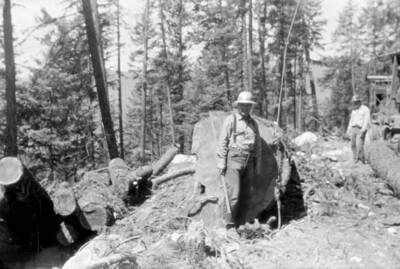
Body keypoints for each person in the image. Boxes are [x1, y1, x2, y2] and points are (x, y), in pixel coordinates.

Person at [216, 91, 262, 226]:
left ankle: (242, 225)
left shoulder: (253, 124)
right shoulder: (232, 120)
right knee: (233, 195)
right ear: (238, 106)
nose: (246, 108)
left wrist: (257, 164)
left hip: (249, 161)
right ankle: (227, 225)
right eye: (243, 105)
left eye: (248, 106)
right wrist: (221, 161)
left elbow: (258, 145)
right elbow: (223, 142)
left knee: (247, 194)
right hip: (234, 159)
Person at [346, 95, 371, 163]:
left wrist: (363, 130)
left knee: (360, 145)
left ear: (359, 101)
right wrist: (348, 130)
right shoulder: (354, 110)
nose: (354, 103)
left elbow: (366, 120)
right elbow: (351, 120)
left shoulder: (365, 109)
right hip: (354, 127)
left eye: (356, 102)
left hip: (361, 128)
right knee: (353, 144)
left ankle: (362, 159)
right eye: (353, 102)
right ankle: (355, 158)